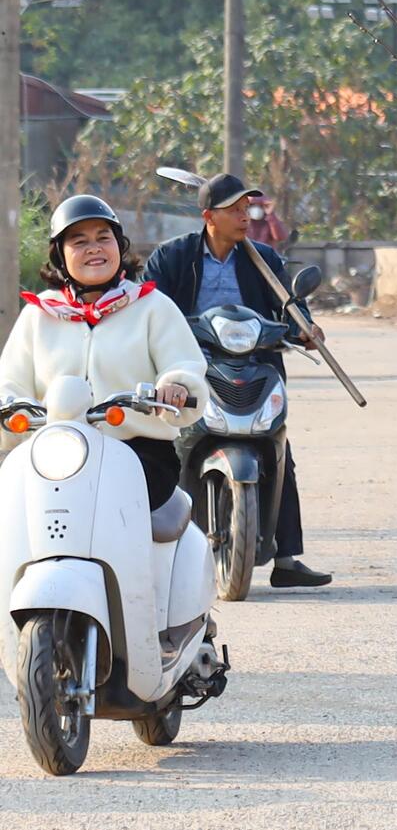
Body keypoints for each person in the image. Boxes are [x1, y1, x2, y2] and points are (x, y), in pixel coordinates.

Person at [144, 173, 331, 588]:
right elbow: (149, 307)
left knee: (278, 448)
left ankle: (286, 558)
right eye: (235, 210)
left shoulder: (264, 260)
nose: (245, 216)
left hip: (253, 361)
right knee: (166, 450)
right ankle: (159, 550)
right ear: (209, 216)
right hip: (192, 366)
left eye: (247, 208)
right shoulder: (172, 257)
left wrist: (306, 329)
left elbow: (290, 305)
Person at [0, 196, 208, 510]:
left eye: (103, 238)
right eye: (79, 241)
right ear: (60, 256)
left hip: (137, 453)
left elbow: (183, 363)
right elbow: (10, 382)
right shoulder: (39, 314)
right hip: (51, 454)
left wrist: (177, 386)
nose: (94, 248)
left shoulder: (151, 306)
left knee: (111, 506)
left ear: (119, 247)